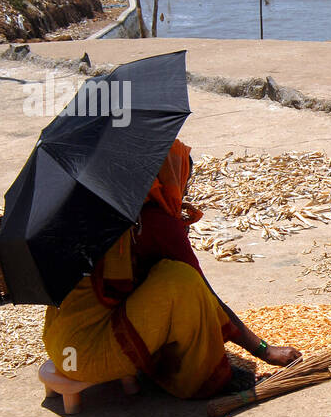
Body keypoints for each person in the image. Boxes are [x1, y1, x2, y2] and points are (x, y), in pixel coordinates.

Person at [42, 139, 300, 399]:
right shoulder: (153, 221)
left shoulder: (102, 208)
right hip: (91, 357)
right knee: (183, 281)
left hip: (60, 347)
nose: (185, 187)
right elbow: (206, 295)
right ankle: (201, 379)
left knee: (168, 277)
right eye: (183, 177)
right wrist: (264, 350)